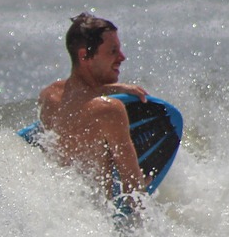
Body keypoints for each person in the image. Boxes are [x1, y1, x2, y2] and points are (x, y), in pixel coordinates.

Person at [37, 13, 148, 205]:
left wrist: (107, 88)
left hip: (58, 210)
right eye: (112, 51)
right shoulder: (109, 110)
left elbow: (78, 97)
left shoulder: (48, 97)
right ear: (84, 55)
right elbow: (133, 190)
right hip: (95, 221)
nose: (122, 57)